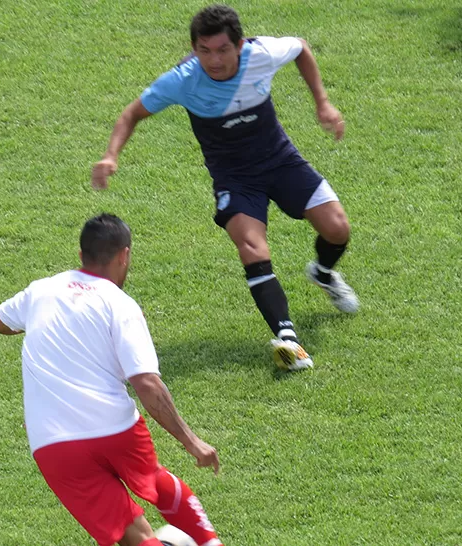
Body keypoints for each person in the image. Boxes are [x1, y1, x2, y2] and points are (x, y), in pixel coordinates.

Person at [91, 4, 359, 371]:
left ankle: (323, 274)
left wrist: (323, 103)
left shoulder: (260, 55)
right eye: (204, 50)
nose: (213, 60)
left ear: (239, 45)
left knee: (337, 228)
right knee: (252, 248)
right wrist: (110, 155)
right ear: (193, 48)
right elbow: (132, 113)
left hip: (282, 162)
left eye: (221, 50)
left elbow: (300, 47)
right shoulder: (182, 80)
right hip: (235, 178)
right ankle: (287, 339)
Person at [0, 213, 224, 546]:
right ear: (124, 255)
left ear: (81, 255)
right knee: (154, 480)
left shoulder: (41, 291)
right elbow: (147, 384)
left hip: (53, 443)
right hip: (115, 429)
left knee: (131, 535)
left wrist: (43, 323)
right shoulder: (120, 305)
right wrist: (191, 441)